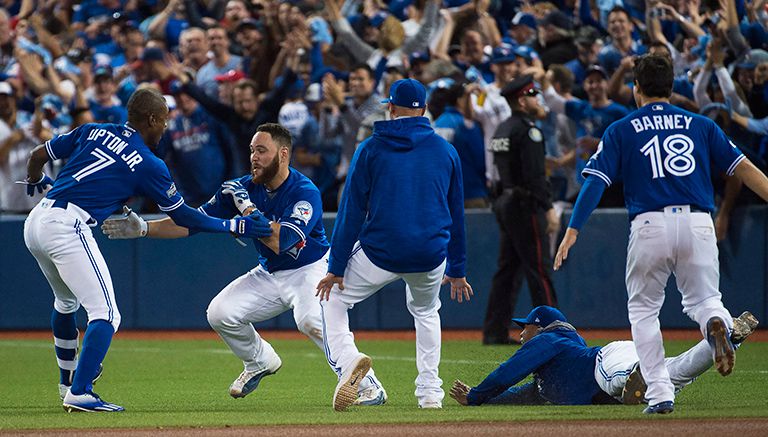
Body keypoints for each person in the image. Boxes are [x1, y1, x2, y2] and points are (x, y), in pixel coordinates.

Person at [21, 88, 272, 413]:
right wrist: (233, 226)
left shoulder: (94, 129)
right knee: (107, 314)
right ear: (151, 119)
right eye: (164, 120)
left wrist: (34, 178)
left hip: (37, 219)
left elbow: (39, 154)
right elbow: (183, 216)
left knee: (66, 302)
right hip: (67, 226)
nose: (166, 127)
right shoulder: (148, 163)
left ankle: (68, 384)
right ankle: (80, 391)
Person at [101, 123, 387, 405]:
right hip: (270, 273)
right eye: (252, 150)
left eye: (262, 150)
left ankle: (370, 387)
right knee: (220, 312)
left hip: (309, 269)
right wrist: (145, 228)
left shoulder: (304, 191)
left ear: (283, 154)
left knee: (310, 319)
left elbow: (281, 242)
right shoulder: (242, 188)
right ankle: (259, 360)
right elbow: (193, 222)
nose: (254, 157)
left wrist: (247, 209)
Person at [553, 54, 768, 414]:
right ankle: (716, 322)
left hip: (650, 224)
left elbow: (594, 183)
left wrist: (573, 229)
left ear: (636, 89)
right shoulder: (701, 125)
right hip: (698, 222)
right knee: (704, 300)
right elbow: (745, 169)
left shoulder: (621, 128)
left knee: (643, 311)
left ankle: (660, 394)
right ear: (671, 87)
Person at [315, 78, 473, 411]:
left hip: (381, 251)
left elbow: (351, 212)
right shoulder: (446, 150)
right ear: (424, 110)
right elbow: (456, 212)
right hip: (431, 255)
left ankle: (350, 364)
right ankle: (431, 394)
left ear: (389, 108)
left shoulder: (370, 147)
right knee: (427, 313)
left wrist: (336, 268)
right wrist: (457, 268)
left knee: (331, 301)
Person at [450, 306, 759, 407]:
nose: (520, 335)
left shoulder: (552, 338)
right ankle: (728, 338)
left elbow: (510, 371)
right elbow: (526, 393)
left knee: (620, 379)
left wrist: (477, 395)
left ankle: (633, 377)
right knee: (673, 374)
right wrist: (486, 400)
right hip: (613, 359)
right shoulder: (552, 367)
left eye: (525, 328)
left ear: (540, 327)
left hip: (607, 362)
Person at [482, 75, 559, 345]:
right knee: (539, 268)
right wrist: (548, 208)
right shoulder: (528, 130)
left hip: (504, 202)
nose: (538, 100)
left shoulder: (502, 128)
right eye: (533, 95)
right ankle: (554, 330)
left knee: (508, 269)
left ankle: (494, 330)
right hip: (526, 206)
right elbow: (536, 175)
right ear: (522, 100)